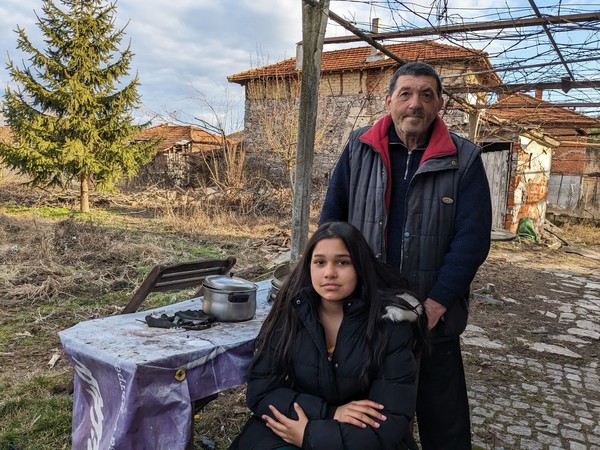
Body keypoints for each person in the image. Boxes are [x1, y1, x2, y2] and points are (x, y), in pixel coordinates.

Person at [319, 61, 492, 449]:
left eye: (426, 95)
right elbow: (331, 223)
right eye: (406, 94)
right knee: (368, 416)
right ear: (388, 101)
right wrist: (332, 288)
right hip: (365, 314)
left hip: (433, 321)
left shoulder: (464, 159)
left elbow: (472, 240)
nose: (415, 104)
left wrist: (436, 303)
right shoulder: (358, 148)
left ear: (440, 105)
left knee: (443, 423)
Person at [230, 221, 422, 450]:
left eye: (342, 262)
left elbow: (389, 420)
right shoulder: (291, 312)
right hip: (289, 427)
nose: (329, 273)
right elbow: (261, 391)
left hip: (361, 440)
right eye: (320, 262)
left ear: (361, 267)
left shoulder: (390, 324)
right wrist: (329, 412)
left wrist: (311, 437)